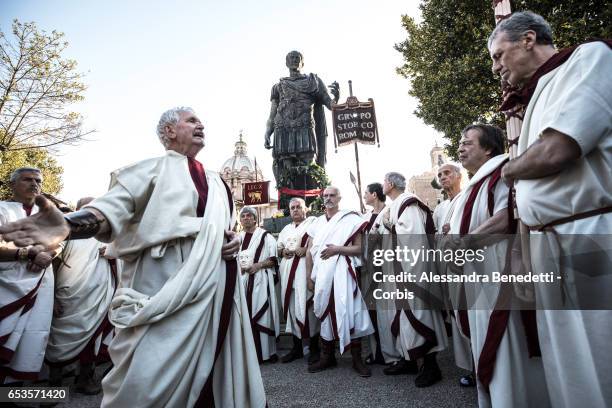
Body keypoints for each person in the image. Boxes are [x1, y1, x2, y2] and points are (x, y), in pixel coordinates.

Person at [0, 107, 266, 407]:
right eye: (190, 120)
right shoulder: (148, 170)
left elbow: (223, 228)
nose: (200, 123)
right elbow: (106, 212)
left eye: (200, 120)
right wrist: (66, 225)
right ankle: (31, 392)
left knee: (218, 375)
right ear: (169, 131)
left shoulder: (218, 182)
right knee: (148, 377)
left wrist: (230, 239)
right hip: (163, 292)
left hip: (216, 292)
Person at [489, 11, 612, 408]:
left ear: (528, 39)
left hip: (587, 236)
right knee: (569, 369)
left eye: (498, 54)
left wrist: (510, 169)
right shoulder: (539, 94)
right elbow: (530, 200)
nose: (496, 67)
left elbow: (557, 150)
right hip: (550, 245)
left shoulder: (590, 59)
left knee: (599, 353)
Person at [446, 124, 549, 407]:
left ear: (488, 148)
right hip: (478, 276)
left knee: (504, 341)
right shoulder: (477, 181)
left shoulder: (503, 170)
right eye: (460, 143)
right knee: (485, 341)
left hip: (497, 271)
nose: (460, 148)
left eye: (467, 143)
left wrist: (465, 241)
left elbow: (507, 217)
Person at [380, 172, 448, 387]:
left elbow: (412, 237)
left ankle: (431, 366)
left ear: (390, 184)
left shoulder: (408, 202)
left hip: (412, 271)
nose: (383, 185)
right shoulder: (396, 204)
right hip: (398, 269)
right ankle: (409, 359)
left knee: (418, 315)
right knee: (402, 317)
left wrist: (389, 225)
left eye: (384, 181)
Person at [46, 196, 118, 395]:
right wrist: (50, 297)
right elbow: (52, 264)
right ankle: (54, 385)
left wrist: (113, 252)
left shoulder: (110, 235)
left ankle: (84, 379)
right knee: (59, 339)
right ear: (77, 212)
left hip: (98, 297)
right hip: (69, 295)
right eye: (88, 209)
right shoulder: (65, 232)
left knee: (93, 340)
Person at [305, 186, 374, 377]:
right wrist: (308, 276)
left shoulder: (350, 219)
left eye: (332, 195)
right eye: (325, 195)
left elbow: (360, 249)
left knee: (350, 310)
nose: (328, 198)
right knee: (326, 314)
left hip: (344, 272)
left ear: (339, 197)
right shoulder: (316, 223)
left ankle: (357, 358)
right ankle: (328, 357)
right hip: (321, 275)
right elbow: (310, 253)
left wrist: (337, 249)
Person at [0, 167, 59, 384]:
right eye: (27, 179)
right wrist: (28, 253)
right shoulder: (2, 209)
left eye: (38, 180)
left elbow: (57, 243)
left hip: (40, 286)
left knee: (29, 340)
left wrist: (48, 253)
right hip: (6, 286)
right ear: (12, 184)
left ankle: (11, 396)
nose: (34, 184)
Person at [264, 50, 339, 183]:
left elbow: (330, 105)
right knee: (286, 167)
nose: (294, 60)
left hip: (304, 124)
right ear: (286, 62)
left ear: (302, 62)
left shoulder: (313, 81)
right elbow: (272, 114)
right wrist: (268, 132)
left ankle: (312, 197)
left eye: (297, 57)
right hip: (282, 126)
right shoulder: (278, 86)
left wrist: (336, 98)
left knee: (309, 163)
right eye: (291, 58)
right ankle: (288, 198)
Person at [432, 163, 474, 386]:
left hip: (467, 265)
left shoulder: (469, 196)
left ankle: (480, 364)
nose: (443, 177)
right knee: (457, 315)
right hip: (446, 267)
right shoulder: (440, 208)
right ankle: (469, 365)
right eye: (440, 175)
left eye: (447, 173)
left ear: (459, 176)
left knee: (471, 314)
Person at [277, 197, 319, 364]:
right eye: (292, 207)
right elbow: (278, 247)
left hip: (304, 272)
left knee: (309, 308)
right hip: (288, 274)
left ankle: (315, 348)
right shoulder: (286, 229)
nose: (295, 210)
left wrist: (306, 248)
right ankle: (297, 348)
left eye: (298, 207)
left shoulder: (313, 223)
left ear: (305, 209)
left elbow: (318, 242)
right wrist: (283, 252)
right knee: (293, 308)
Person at [238, 206, 280, 364]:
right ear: (240, 220)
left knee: (263, 315)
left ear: (255, 219)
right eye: (243, 216)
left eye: (249, 215)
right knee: (244, 317)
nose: (246, 218)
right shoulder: (238, 238)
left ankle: (266, 354)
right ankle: (248, 356)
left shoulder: (265, 237)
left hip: (260, 281)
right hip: (242, 282)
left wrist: (258, 266)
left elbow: (273, 260)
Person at [361, 183, 394, 366]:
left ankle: (393, 351)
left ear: (374, 194)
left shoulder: (389, 212)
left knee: (388, 310)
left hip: (386, 267)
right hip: (369, 269)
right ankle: (377, 351)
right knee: (372, 311)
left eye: (366, 193)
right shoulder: (365, 217)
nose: (365, 196)